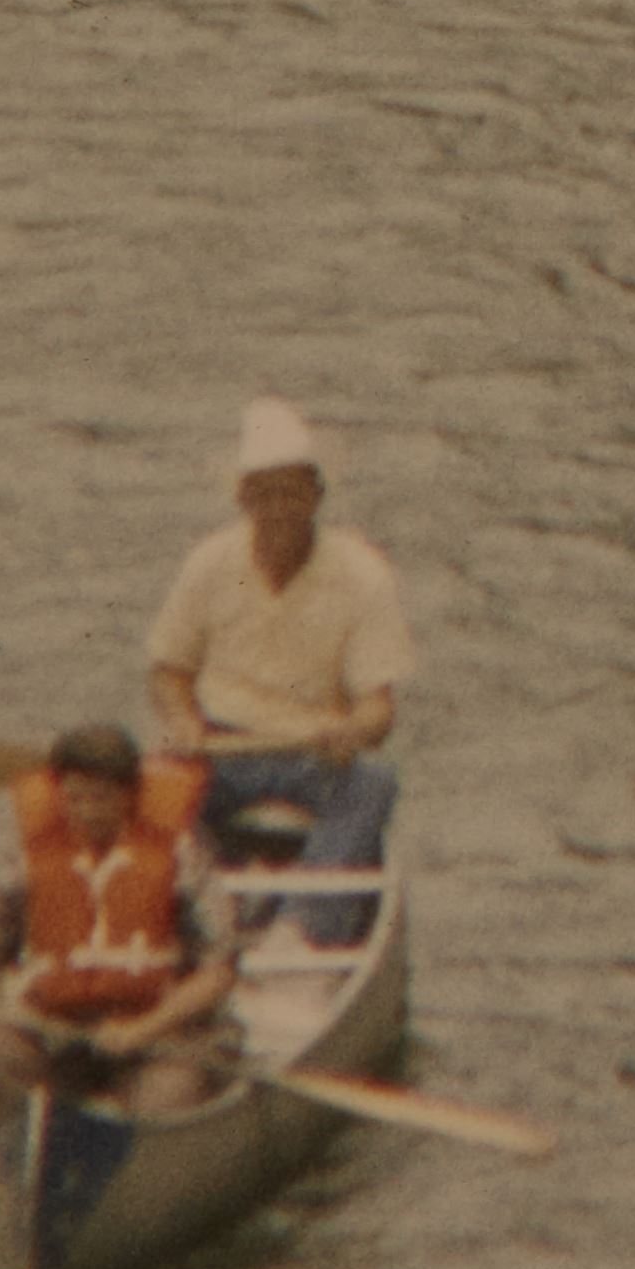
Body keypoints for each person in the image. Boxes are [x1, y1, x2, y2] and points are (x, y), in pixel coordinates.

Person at [143, 394, 410, 945]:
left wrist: (352, 730)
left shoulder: (364, 574)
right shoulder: (210, 562)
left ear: (317, 494)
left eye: (293, 491)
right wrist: (183, 720)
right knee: (150, 792)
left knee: (372, 786)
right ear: (243, 498)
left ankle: (301, 928)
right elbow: (169, 671)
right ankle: (194, 919)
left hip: (312, 749)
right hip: (220, 745)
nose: (279, 508)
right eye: (264, 493)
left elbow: (378, 709)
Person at [0, 723, 233, 1109]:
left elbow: (218, 973)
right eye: (74, 798)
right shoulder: (27, 861)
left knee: (165, 1097)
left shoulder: (183, 858)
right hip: (58, 1033)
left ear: (129, 795)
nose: (86, 812)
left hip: (161, 1036)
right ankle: (29, 1124)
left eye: (100, 798)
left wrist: (142, 1029)